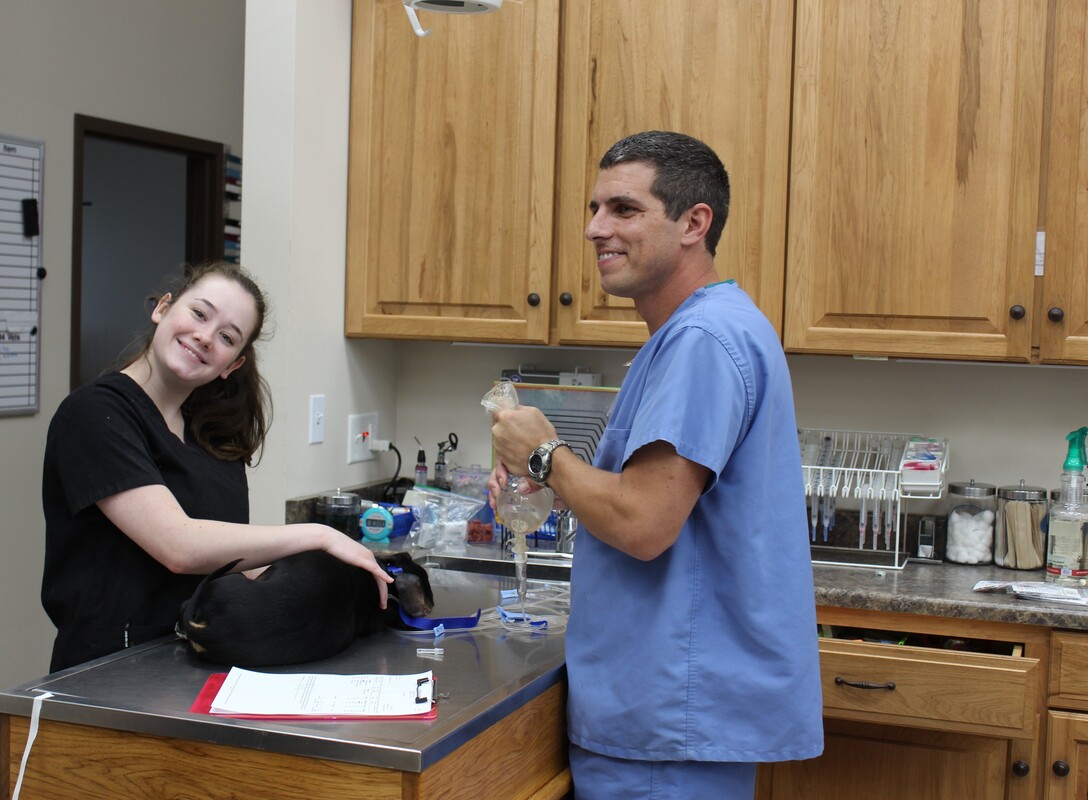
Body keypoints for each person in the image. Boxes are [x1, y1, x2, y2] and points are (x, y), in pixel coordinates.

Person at [488, 131, 823, 798]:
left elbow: (643, 524)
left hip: (667, 718)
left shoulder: (701, 340)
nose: (595, 228)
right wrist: (555, 477)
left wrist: (545, 454)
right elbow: (658, 499)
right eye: (595, 208)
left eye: (624, 209)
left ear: (694, 223)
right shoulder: (712, 327)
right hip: (676, 710)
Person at [41, 261, 393, 672]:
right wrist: (319, 535)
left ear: (232, 365)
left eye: (227, 337)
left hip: (196, 666)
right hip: (107, 673)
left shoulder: (211, 438)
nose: (205, 337)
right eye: (199, 313)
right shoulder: (95, 414)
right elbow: (179, 547)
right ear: (163, 309)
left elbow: (228, 560)